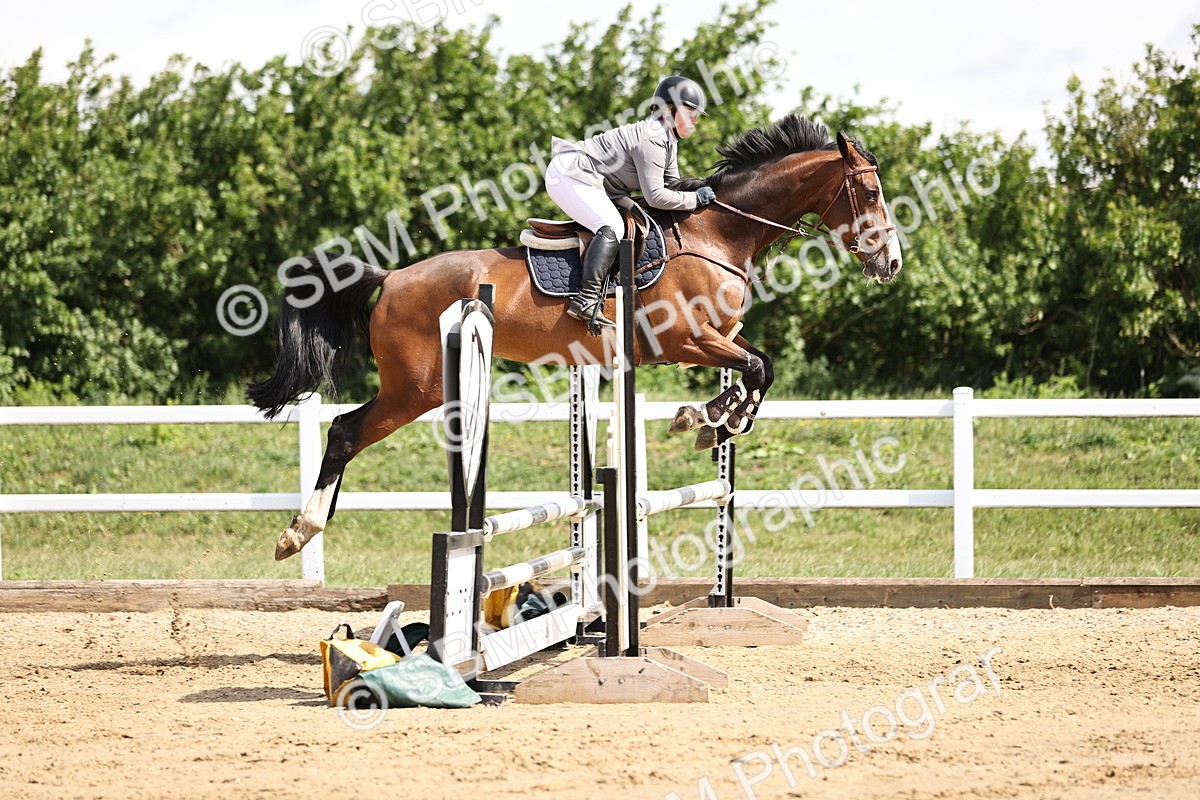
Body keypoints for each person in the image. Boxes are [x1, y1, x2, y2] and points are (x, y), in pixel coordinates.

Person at [544, 75, 716, 334]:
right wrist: (694, 199)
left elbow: (673, 186)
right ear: (669, 110)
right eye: (690, 112)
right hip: (569, 174)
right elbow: (656, 197)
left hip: (595, 182)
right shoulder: (653, 138)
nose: (696, 120)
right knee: (612, 226)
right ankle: (587, 300)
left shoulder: (668, 140)